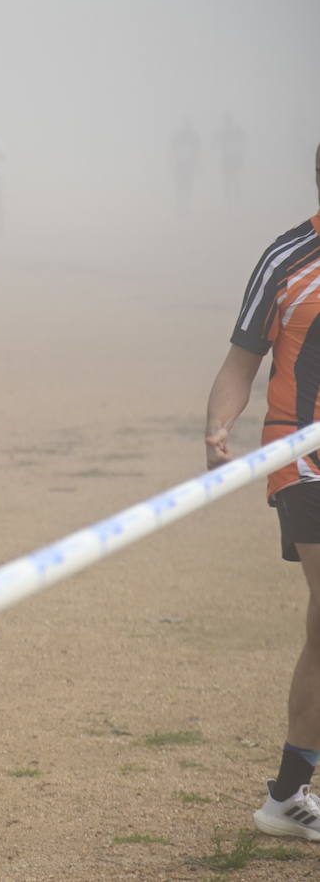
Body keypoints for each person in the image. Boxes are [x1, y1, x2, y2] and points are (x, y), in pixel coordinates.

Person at [204, 141, 320, 841]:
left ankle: (286, 792)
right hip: (301, 456)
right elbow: (241, 361)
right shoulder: (288, 259)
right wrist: (219, 428)